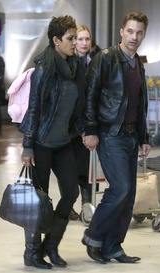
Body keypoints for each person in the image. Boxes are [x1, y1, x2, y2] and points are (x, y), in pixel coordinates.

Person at [81, 12, 151, 264]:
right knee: (120, 188)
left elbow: (140, 103)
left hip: (132, 136)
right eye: (130, 31)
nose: (134, 37)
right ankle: (93, 236)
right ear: (121, 31)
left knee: (129, 194)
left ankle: (113, 246)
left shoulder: (138, 64)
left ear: (144, 35)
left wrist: (144, 136)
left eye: (139, 32)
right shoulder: (106, 58)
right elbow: (90, 95)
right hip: (110, 135)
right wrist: (90, 130)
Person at [19, 15, 86, 269]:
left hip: (64, 141)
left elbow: (77, 106)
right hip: (41, 143)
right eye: (70, 38)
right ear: (56, 40)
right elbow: (34, 108)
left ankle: (51, 245)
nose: (75, 42)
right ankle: (32, 252)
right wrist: (28, 144)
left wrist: (86, 131)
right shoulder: (44, 67)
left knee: (70, 192)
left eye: (76, 37)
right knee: (38, 199)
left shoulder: (75, 66)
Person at [58, 24, 92, 221]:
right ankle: (68, 204)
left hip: (86, 123)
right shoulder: (68, 65)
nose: (84, 43)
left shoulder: (93, 62)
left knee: (86, 166)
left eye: (87, 39)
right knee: (68, 167)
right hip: (70, 126)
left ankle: (86, 204)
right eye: (80, 39)